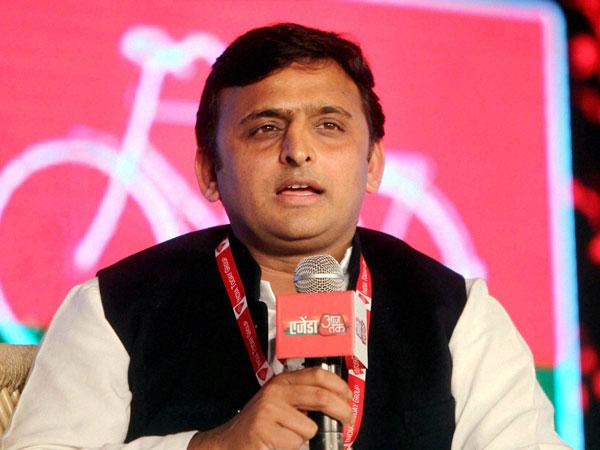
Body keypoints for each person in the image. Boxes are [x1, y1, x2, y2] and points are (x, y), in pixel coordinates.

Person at [3, 23, 569, 450]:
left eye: (329, 125)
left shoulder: (456, 312)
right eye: (266, 127)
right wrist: (211, 447)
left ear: (373, 164)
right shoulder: (115, 307)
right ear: (209, 170)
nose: (298, 150)